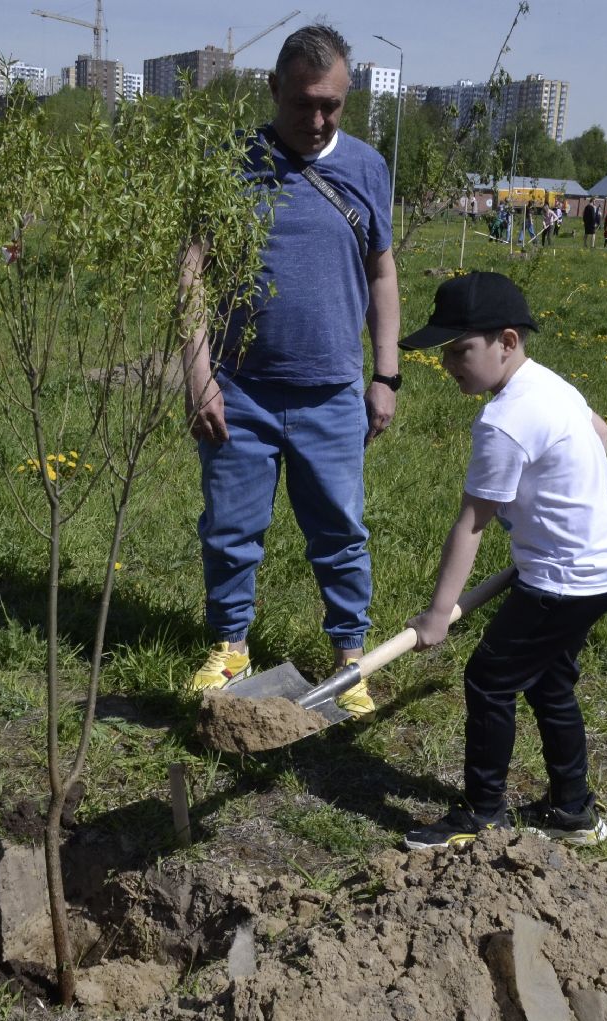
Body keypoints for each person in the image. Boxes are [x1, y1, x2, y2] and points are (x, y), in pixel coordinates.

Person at [182, 24, 400, 716]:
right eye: (302, 103)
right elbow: (191, 273)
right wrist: (198, 376)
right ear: (273, 89)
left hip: (331, 394)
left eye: (331, 105)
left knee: (339, 533)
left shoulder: (366, 168)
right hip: (237, 391)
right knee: (229, 529)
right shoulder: (229, 162)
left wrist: (384, 374)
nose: (315, 119)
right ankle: (230, 645)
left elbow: (382, 273)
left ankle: (348, 656)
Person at [396, 271, 607, 850]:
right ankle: (573, 812)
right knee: (550, 683)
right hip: (603, 570)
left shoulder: (504, 422)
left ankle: (481, 813)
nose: (450, 363)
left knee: (489, 679)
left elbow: (472, 523)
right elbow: (599, 434)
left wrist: (437, 612)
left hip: (561, 581)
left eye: (460, 350)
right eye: (444, 352)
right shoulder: (551, 386)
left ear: (506, 340)